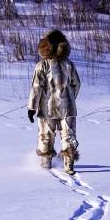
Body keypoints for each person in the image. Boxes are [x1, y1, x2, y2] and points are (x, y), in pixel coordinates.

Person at [27, 29, 81, 174]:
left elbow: (36, 87)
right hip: (67, 107)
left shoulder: (42, 65)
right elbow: (76, 84)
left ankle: (45, 164)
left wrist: (32, 107)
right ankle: (68, 165)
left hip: (47, 107)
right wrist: (70, 97)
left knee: (46, 135)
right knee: (68, 134)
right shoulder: (69, 64)